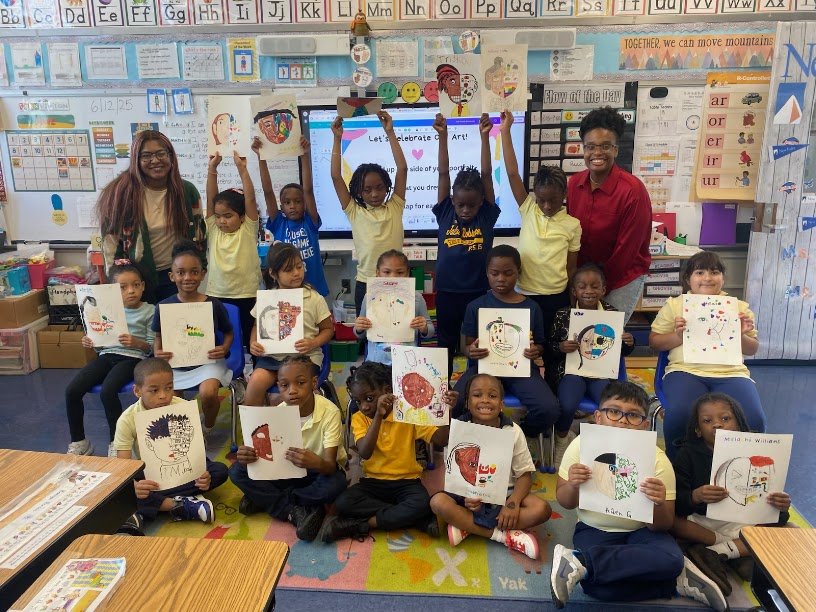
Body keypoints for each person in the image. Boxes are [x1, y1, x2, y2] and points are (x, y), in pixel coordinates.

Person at [551, 381, 728, 611]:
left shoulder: (657, 459)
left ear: (645, 425)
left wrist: (658, 502)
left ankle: (580, 562)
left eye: (633, 415)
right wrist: (574, 486)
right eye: (613, 412)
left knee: (671, 559)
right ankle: (677, 581)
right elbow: (564, 501)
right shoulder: (580, 446)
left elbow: (663, 524)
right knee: (597, 589)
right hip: (594, 528)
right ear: (598, 417)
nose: (623, 420)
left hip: (641, 531)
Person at [318, 361, 454, 543]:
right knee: (344, 502)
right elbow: (365, 452)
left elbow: (441, 440)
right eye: (358, 401)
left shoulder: (408, 414)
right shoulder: (359, 419)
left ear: (387, 390)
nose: (364, 407)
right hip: (373, 483)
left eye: (369, 398)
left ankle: (362, 525)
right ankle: (414, 518)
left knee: (421, 502)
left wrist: (446, 412)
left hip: (407, 482)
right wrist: (378, 416)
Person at [649, 251, 763, 459]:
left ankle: (744, 470)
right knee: (682, 414)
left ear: (723, 278)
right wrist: (677, 336)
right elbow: (655, 342)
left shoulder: (738, 307)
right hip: (685, 371)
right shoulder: (675, 305)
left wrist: (740, 335)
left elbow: (751, 349)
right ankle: (679, 467)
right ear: (688, 279)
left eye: (714, 272)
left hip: (731, 373)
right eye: (699, 272)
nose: (707, 278)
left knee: (753, 417)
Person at [671, 393, 790, 592]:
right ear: (698, 431)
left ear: (740, 424)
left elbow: (776, 511)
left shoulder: (759, 451)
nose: (717, 424)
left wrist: (780, 504)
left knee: (782, 527)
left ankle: (717, 553)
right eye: (707, 421)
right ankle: (739, 551)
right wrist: (695, 496)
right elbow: (678, 501)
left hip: (744, 521)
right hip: (703, 522)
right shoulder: (687, 454)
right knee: (670, 522)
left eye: (725, 418)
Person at [430, 373, 551, 560]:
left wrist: (513, 504)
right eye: (477, 395)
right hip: (468, 496)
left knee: (542, 509)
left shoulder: (513, 431)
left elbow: (525, 474)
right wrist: (465, 496)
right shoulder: (460, 426)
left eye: (492, 396)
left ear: (502, 403)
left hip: (504, 496)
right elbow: (455, 471)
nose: (485, 400)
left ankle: (467, 526)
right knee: (438, 503)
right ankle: (502, 536)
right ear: (468, 402)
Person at [229, 355, 347, 541]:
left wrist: (314, 461)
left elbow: (330, 466)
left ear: (314, 383)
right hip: (287, 472)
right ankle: (295, 510)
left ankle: (267, 500)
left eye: (300, 383)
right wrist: (248, 455)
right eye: (284, 385)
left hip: (317, 472)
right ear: (278, 387)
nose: (292, 391)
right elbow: (267, 457)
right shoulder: (278, 413)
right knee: (237, 471)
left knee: (337, 483)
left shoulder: (330, 412)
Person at [452, 245, 560, 439]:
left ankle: (518, 436)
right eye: (495, 273)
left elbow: (541, 344)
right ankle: (472, 436)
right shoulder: (476, 306)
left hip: (522, 370)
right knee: (454, 403)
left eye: (508, 273)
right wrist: (471, 351)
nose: (501, 278)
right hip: (484, 369)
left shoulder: (532, 307)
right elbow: (465, 345)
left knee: (549, 409)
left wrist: (536, 350)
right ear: (487, 273)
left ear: (518, 272)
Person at [112, 358, 228, 527]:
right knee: (122, 489)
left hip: (183, 468)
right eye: (154, 390)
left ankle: (156, 506)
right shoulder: (127, 419)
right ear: (137, 391)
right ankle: (177, 505)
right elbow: (123, 465)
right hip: (149, 473)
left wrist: (203, 475)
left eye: (169, 387)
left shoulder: (182, 406)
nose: (163, 395)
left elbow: (196, 450)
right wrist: (134, 486)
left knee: (220, 471)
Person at [500, 110, 581, 343]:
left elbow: (571, 269)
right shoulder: (528, 210)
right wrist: (505, 131)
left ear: (564, 194)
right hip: (525, 294)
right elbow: (513, 173)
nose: (546, 206)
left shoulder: (573, 225)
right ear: (535, 195)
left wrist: (572, 301)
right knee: (524, 345)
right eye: (541, 199)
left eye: (553, 201)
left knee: (553, 348)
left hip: (556, 297)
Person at [98, 130, 206, 303]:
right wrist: (115, 283)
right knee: (143, 328)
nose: (155, 160)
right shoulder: (119, 194)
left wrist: (198, 271)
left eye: (161, 154)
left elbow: (200, 236)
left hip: (177, 277)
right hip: (136, 281)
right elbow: (110, 245)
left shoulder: (187, 191)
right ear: (136, 160)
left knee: (176, 326)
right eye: (146, 156)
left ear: (171, 156)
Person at [566, 107, 652, 322]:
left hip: (621, 276)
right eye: (590, 147)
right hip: (585, 277)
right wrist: (578, 280)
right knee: (580, 335)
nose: (597, 153)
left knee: (606, 337)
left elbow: (627, 251)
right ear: (583, 149)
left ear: (615, 149)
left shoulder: (633, 191)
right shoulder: (574, 184)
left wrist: (600, 289)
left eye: (605, 146)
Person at [548, 264, 635, 466]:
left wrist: (629, 343)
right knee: (568, 403)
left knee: (610, 405)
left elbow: (619, 350)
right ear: (574, 291)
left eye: (595, 286)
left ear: (604, 290)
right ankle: (562, 438)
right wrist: (560, 347)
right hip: (571, 371)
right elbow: (549, 347)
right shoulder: (563, 314)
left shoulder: (612, 313)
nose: (588, 291)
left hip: (601, 372)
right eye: (582, 286)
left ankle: (603, 445)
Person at [432, 112, 498, 374]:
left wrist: (485, 137)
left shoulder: (486, 215)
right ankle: (443, 390)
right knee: (446, 344)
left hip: (479, 292)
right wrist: (443, 136)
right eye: (461, 204)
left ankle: (476, 386)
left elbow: (487, 173)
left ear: (482, 201)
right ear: (452, 200)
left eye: (472, 204)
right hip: (447, 292)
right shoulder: (446, 211)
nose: (466, 210)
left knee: (478, 346)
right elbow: (443, 172)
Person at [66, 261, 154, 457]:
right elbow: (100, 343)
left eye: (136, 285)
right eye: (123, 287)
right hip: (107, 356)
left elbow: (151, 348)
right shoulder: (105, 310)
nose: (131, 291)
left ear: (143, 286)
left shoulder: (150, 310)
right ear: (113, 291)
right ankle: (79, 441)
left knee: (108, 391)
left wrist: (136, 342)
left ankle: (117, 443)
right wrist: (90, 342)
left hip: (133, 358)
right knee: (72, 391)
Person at [152, 241, 233, 436]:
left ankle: (208, 426)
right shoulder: (163, 307)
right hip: (176, 364)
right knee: (172, 399)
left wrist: (224, 347)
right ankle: (185, 433)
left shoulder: (213, 304)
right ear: (172, 276)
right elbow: (158, 337)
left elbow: (229, 332)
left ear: (202, 274)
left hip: (208, 362)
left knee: (208, 392)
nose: (187, 277)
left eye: (194, 272)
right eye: (181, 272)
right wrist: (157, 352)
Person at [330, 111, 408, 315]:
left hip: (397, 282)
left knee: (398, 333)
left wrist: (389, 132)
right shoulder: (354, 210)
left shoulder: (395, 206)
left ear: (386, 187)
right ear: (358, 191)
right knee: (366, 336)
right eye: (367, 190)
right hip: (366, 284)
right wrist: (338, 139)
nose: (374, 194)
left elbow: (402, 169)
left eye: (379, 187)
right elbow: (336, 177)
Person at [244, 242, 333, 405]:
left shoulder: (314, 298)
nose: (296, 273)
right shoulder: (267, 298)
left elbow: (328, 329)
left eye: (299, 267)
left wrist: (313, 342)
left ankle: (306, 425)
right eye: (288, 270)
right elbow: (257, 326)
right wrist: (253, 342)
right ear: (273, 273)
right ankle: (254, 428)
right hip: (272, 358)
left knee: (296, 390)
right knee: (254, 384)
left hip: (305, 358)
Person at [257, 136, 329, 297]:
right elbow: (268, 192)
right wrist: (260, 157)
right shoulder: (278, 223)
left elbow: (308, 190)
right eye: (287, 202)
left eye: (298, 201)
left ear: (304, 204)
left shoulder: (310, 222)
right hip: (286, 289)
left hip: (313, 289)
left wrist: (304, 154)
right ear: (281, 206)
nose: (292, 206)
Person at [205, 151, 261, 356]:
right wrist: (212, 169)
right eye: (219, 217)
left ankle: (254, 377)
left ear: (242, 216)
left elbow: (251, 198)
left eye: (228, 216)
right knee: (221, 342)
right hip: (218, 295)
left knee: (251, 341)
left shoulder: (248, 229)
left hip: (247, 294)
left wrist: (242, 168)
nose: (221, 221)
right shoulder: (213, 230)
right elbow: (211, 199)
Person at [353, 250, 434, 365]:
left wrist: (424, 327)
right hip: (375, 362)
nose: (393, 277)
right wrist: (359, 327)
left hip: (407, 362)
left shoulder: (416, 298)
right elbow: (359, 334)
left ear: (407, 273)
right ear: (378, 273)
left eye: (400, 272)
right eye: (386, 272)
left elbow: (430, 332)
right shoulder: (369, 298)